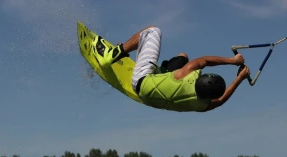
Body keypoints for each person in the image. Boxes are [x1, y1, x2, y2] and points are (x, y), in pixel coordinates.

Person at [96, 26, 251, 112]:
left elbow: (205, 60)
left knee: (152, 32)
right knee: (182, 57)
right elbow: (221, 100)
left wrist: (232, 61)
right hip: (151, 99)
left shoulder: (187, 73)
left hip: (141, 81)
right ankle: (144, 58)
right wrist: (240, 78)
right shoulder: (202, 105)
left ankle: (112, 54)